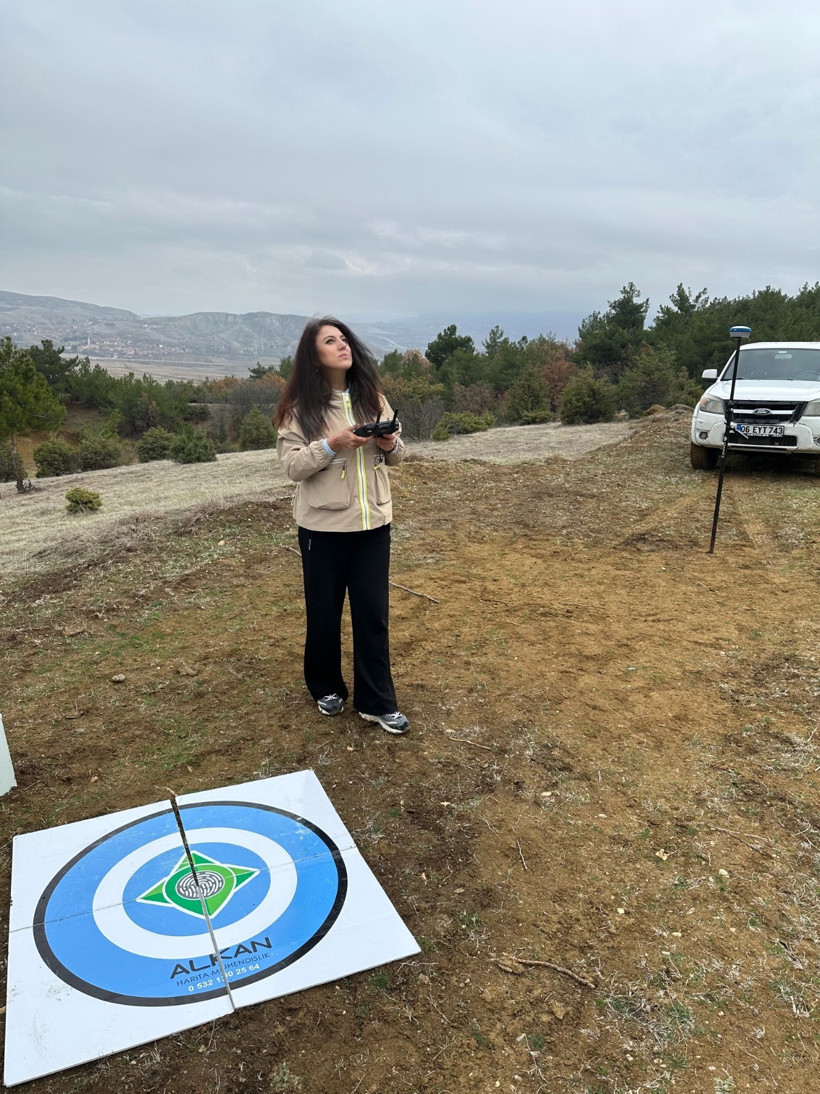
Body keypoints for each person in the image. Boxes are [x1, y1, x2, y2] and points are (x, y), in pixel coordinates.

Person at [274, 317, 409, 735]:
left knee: (373, 616)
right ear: (314, 357)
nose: (342, 345)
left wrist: (389, 442)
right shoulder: (299, 409)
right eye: (330, 341)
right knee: (324, 613)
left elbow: (398, 456)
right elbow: (292, 467)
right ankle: (326, 687)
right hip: (322, 529)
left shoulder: (374, 398)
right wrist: (332, 444)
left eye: (344, 339)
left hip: (374, 524)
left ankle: (377, 702)